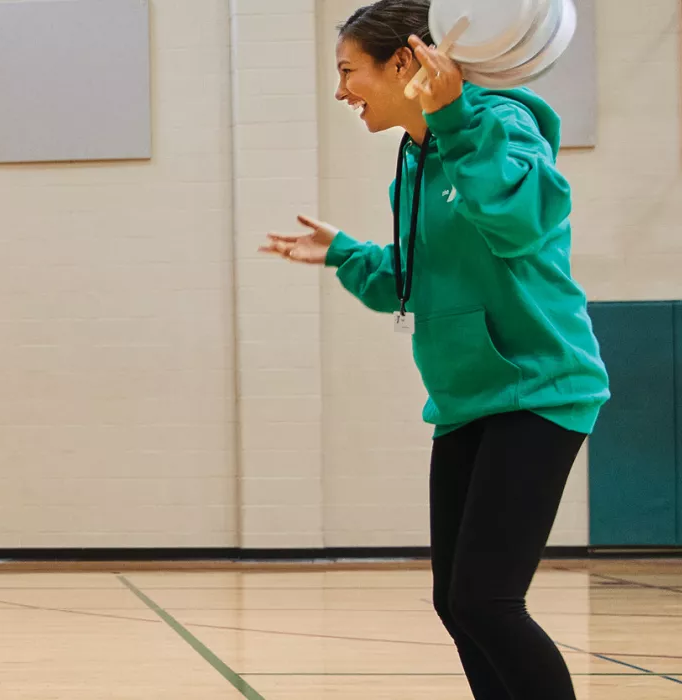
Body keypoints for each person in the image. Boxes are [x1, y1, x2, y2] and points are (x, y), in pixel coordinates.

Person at [261, 2, 609, 697]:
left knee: (488, 600)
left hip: (540, 389)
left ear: (404, 61)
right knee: (459, 604)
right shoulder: (416, 163)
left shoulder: (503, 126)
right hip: (466, 398)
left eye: (348, 71)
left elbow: (517, 225)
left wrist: (454, 122)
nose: (340, 92)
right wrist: (345, 254)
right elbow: (411, 282)